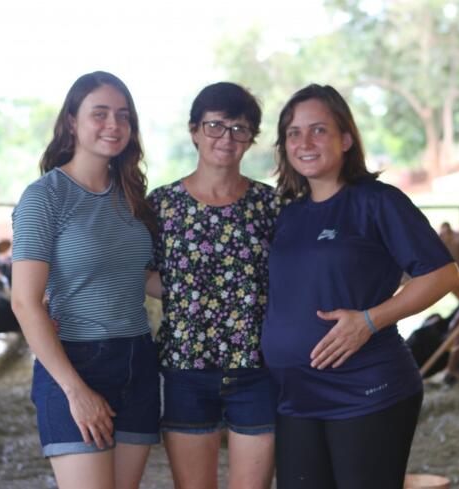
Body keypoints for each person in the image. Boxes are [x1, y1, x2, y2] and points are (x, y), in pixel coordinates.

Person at [261, 84, 459, 489]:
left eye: (319, 130)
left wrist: (369, 321)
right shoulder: (287, 214)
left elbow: (443, 275)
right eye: (294, 133)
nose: (305, 142)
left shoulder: (377, 202)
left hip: (365, 388)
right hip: (295, 396)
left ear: (346, 138)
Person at [11, 71, 160, 489]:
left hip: (138, 358)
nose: (113, 125)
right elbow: (24, 302)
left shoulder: (131, 194)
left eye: (123, 115)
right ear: (72, 122)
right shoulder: (46, 196)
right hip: (75, 363)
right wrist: (76, 391)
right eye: (100, 113)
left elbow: (143, 277)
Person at [147, 82, 279, 489]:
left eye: (240, 129)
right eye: (216, 126)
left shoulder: (271, 204)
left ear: (251, 139)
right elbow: (142, 273)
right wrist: (190, 291)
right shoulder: (162, 204)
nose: (227, 138)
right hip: (186, 368)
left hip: (257, 369)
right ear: (194, 130)